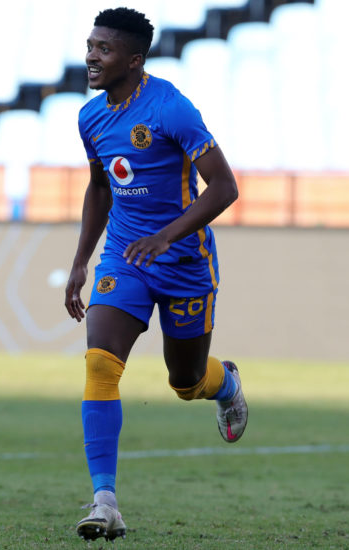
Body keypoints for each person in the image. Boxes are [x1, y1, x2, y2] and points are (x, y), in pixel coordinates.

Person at [64, 7, 247, 541]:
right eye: (90, 45)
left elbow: (224, 187)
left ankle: (225, 382)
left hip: (185, 262)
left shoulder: (172, 109)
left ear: (134, 60)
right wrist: (81, 260)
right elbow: (101, 187)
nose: (92, 57)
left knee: (185, 383)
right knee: (101, 363)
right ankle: (105, 502)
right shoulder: (90, 117)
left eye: (104, 49)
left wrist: (167, 235)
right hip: (125, 256)